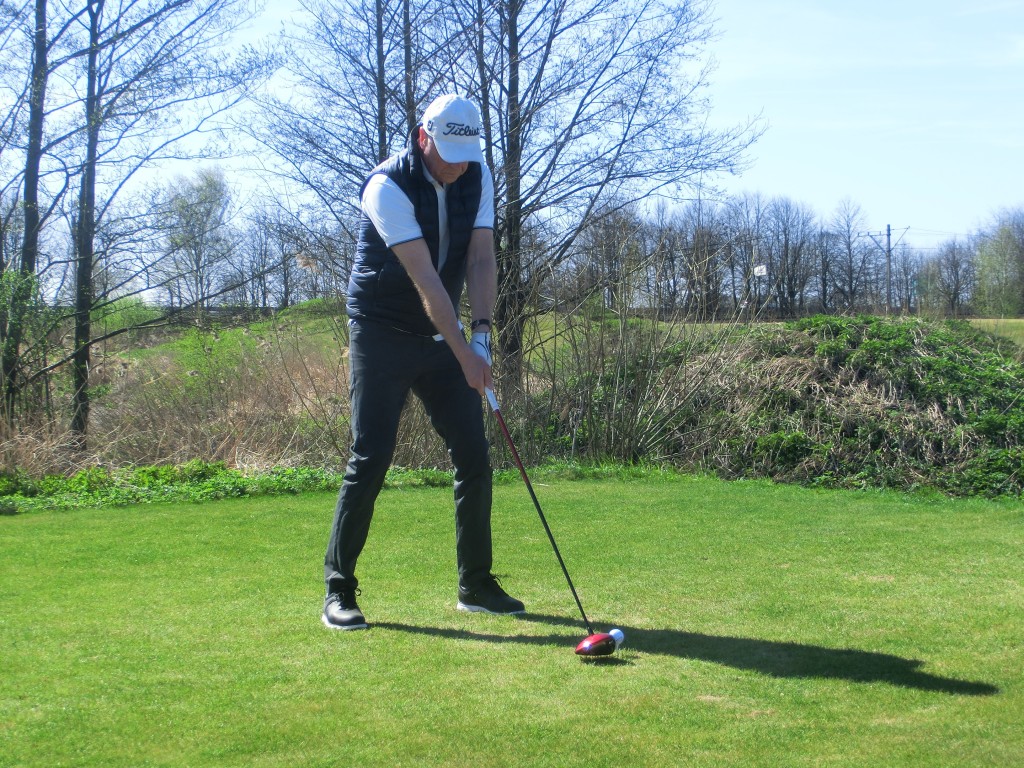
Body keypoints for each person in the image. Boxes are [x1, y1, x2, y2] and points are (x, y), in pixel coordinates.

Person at [322, 94, 525, 630]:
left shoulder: (477, 176)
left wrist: (481, 338)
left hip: (443, 333)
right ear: (422, 138)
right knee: (371, 455)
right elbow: (427, 281)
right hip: (381, 330)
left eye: (466, 155)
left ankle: (475, 584)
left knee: (474, 453)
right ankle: (338, 590)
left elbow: (481, 258)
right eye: (448, 155)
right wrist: (465, 356)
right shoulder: (385, 187)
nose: (458, 166)